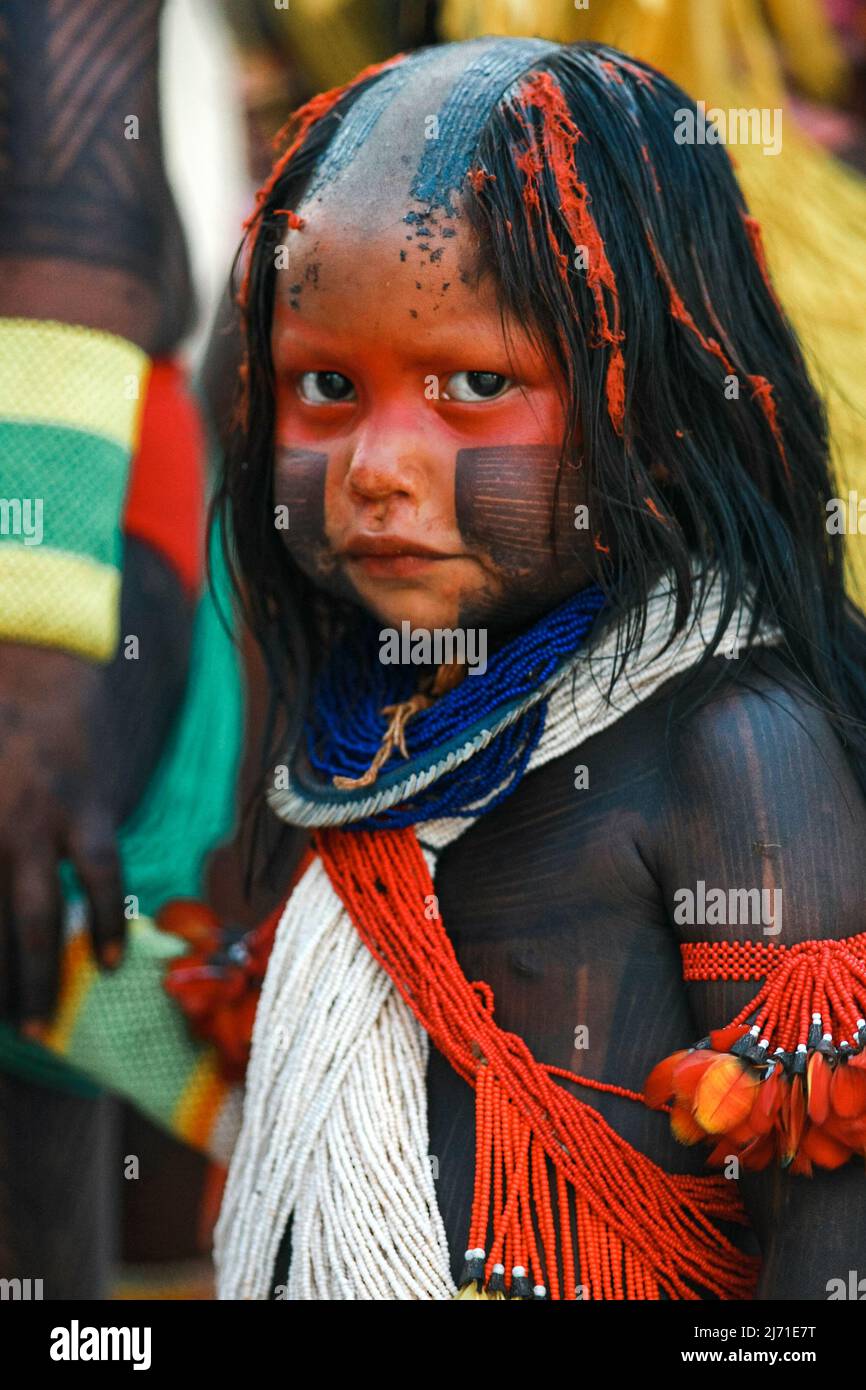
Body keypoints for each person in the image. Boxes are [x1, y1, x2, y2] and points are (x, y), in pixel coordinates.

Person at [28, 36, 866, 1300]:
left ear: (658, 408)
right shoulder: (363, 729)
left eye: (474, 383)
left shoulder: (736, 748)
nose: (375, 468)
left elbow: (828, 1243)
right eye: (323, 385)